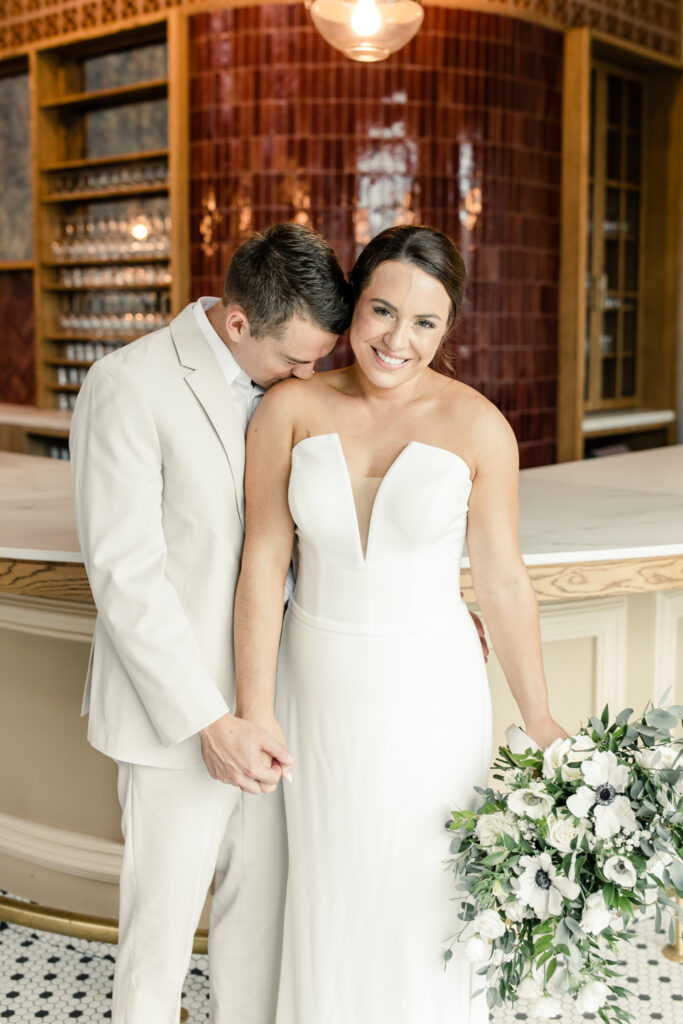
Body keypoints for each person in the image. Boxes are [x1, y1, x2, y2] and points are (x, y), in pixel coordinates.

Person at [233, 225, 566, 1024]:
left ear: (447, 328)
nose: (397, 339)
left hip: (433, 690)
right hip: (314, 687)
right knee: (331, 886)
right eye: (382, 310)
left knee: (425, 891)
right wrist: (254, 708)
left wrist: (540, 716)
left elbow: (503, 581)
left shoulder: (479, 426)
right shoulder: (289, 407)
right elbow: (259, 565)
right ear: (354, 305)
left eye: (424, 322)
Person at [69, 223, 354, 1024]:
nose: (307, 375)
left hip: (280, 707)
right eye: (293, 359)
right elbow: (126, 577)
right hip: (175, 720)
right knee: (159, 935)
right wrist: (207, 719)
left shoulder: (298, 391)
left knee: (258, 920)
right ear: (236, 322)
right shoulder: (127, 385)